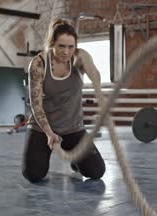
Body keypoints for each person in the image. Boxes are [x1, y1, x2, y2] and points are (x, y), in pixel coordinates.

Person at [22, 18, 106, 183]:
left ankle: (76, 159)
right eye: (61, 46)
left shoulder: (80, 57)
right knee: (33, 174)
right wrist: (48, 133)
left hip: (73, 128)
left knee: (96, 171)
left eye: (70, 46)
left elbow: (95, 75)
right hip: (43, 128)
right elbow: (35, 104)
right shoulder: (38, 64)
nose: (66, 52)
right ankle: (46, 150)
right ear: (52, 43)